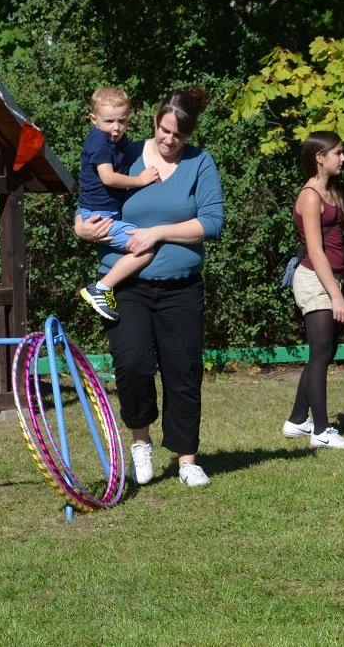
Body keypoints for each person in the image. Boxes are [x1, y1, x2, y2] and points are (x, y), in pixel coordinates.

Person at [74, 85, 225, 488]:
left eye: (179, 134)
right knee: (133, 365)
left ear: (190, 134)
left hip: (181, 288)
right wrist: (82, 229)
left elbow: (211, 224)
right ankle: (140, 442)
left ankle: (187, 459)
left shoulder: (200, 163)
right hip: (128, 288)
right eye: (164, 129)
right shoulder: (123, 149)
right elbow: (90, 195)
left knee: (183, 372)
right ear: (154, 121)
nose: (170, 139)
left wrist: (158, 233)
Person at [283, 132, 344, 450]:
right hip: (315, 279)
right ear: (320, 157)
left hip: (332, 279)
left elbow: (339, 246)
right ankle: (320, 430)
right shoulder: (310, 196)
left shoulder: (331, 192)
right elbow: (316, 252)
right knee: (320, 352)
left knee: (325, 351)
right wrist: (335, 294)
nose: (343, 158)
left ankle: (297, 420)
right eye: (338, 153)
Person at [76, 86, 162, 321]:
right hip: (100, 216)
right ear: (94, 119)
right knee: (144, 247)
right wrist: (141, 180)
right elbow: (108, 177)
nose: (116, 128)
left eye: (122, 121)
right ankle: (101, 288)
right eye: (109, 121)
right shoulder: (99, 140)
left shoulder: (118, 141)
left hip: (102, 211)